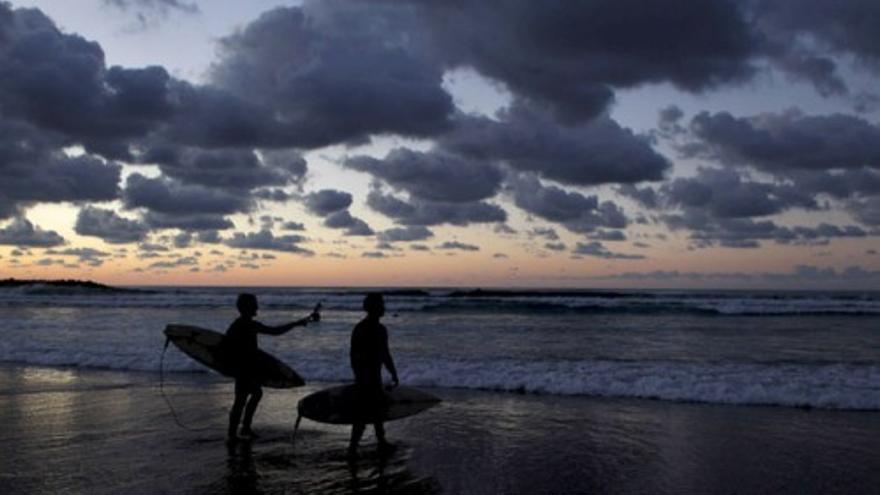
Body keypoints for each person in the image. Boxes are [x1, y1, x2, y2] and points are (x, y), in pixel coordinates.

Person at [225, 293, 317, 441]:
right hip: (245, 369)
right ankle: (235, 433)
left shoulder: (237, 324)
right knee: (242, 399)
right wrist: (296, 323)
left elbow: (226, 345)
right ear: (248, 307)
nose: (257, 307)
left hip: (243, 368)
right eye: (254, 304)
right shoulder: (249, 324)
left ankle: (241, 429)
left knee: (252, 395)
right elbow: (275, 331)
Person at [348, 292, 399, 459]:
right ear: (375, 308)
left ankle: (376, 443)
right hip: (367, 376)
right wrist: (393, 373)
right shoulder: (375, 329)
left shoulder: (361, 327)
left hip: (366, 375)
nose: (384, 307)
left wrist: (392, 371)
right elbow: (383, 354)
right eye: (381, 305)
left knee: (375, 410)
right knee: (367, 413)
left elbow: (354, 355)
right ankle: (354, 449)